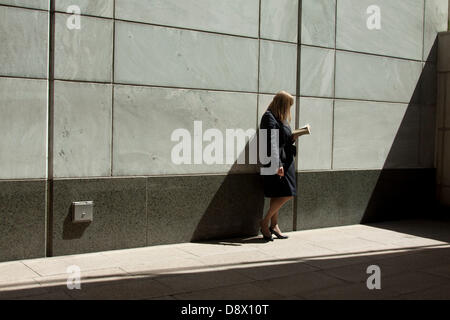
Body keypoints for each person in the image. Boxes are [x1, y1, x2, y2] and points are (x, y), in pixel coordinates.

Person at [259, 91, 297, 241]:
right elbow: (271, 143)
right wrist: (277, 164)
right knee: (288, 193)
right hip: (277, 162)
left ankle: (274, 225)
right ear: (282, 103)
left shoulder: (280, 118)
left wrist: (292, 137)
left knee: (278, 193)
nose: (289, 108)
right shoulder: (269, 117)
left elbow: (282, 140)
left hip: (285, 161)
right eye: (288, 105)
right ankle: (264, 222)